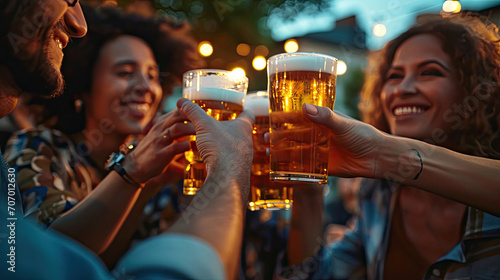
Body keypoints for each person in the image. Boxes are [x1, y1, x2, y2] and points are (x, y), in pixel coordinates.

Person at [0, 1, 254, 279]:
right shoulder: (38, 148)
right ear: (82, 88)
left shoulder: (164, 175)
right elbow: (47, 258)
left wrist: (147, 183)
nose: (145, 87)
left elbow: (108, 264)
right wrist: (132, 171)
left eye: (152, 75)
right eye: (124, 73)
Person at [283, 15, 500, 279]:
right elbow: (317, 276)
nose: (403, 89)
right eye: (394, 76)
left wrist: (386, 155)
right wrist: (307, 192)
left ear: (474, 87)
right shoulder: (378, 191)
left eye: (430, 72)